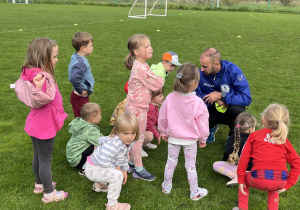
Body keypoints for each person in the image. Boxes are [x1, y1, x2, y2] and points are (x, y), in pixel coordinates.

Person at [21, 38, 68, 203]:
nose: (57, 60)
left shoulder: (31, 73)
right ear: (43, 58)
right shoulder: (42, 78)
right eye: (54, 57)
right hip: (44, 125)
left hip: (35, 123)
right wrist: (39, 88)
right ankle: (49, 193)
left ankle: (39, 184)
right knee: (45, 160)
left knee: (38, 156)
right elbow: (42, 98)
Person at [233, 104, 300, 210]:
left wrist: (240, 179)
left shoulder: (254, 136)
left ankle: (242, 207)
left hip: (257, 179)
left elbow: (244, 158)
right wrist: (289, 183)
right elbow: (297, 162)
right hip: (280, 182)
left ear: (263, 120)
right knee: (275, 182)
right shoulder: (284, 141)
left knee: (245, 178)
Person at [158, 63, 209, 201]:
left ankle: (166, 186)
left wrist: (164, 132)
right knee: (190, 166)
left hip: (174, 137)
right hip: (190, 141)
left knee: (170, 162)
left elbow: (162, 117)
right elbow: (203, 124)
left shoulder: (169, 98)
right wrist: (203, 138)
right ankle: (194, 192)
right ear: (193, 83)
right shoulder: (198, 103)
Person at [124, 34, 164, 181]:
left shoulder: (141, 65)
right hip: (137, 110)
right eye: (146, 46)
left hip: (135, 107)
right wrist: (162, 73)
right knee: (137, 139)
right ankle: (138, 168)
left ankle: (129, 162)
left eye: (150, 45)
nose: (151, 48)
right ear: (136, 51)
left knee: (133, 137)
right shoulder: (141, 68)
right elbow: (158, 84)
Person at [195, 48, 251, 142]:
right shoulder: (200, 73)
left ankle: (232, 138)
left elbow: (246, 98)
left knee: (238, 111)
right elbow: (194, 96)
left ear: (216, 64)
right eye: (201, 66)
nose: (201, 69)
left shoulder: (233, 71)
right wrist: (214, 98)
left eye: (205, 66)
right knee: (197, 109)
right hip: (211, 107)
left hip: (229, 109)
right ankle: (210, 128)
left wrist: (223, 96)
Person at [85, 113, 139, 210]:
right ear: (117, 132)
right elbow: (103, 162)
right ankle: (112, 205)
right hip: (93, 169)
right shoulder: (113, 145)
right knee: (117, 175)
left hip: (96, 166)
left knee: (117, 171)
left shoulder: (124, 142)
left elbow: (122, 156)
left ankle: (100, 185)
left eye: (133, 133)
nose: (130, 137)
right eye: (126, 133)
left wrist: (124, 169)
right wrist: (118, 169)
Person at [213, 112, 256, 186]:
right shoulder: (254, 140)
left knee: (216, 165)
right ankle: (244, 177)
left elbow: (227, 153)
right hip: (250, 171)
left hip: (236, 169)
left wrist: (226, 162)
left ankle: (235, 177)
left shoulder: (232, 138)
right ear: (250, 129)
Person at [66, 102, 103, 176]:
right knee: (99, 147)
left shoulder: (80, 123)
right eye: (99, 115)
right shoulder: (90, 130)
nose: (101, 116)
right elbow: (100, 141)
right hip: (77, 160)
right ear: (92, 119)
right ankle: (84, 168)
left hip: (71, 156)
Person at [68, 31, 95, 118]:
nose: (92, 48)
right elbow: (74, 78)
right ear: (83, 48)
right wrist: (80, 90)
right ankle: (80, 130)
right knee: (82, 117)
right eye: (90, 46)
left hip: (80, 95)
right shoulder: (81, 63)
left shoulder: (76, 56)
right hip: (80, 96)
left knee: (82, 116)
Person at [143, 87, 164, 152]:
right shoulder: (150, 108)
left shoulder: (155, 105)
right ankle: (138, 147)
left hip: (145, 127)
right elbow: (148, 125)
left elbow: (156, 117)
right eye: (160, 96)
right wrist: (157, 135)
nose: (163, 97)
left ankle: (145, 143)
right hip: (139, 129)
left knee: (158, 127)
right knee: (150, 136)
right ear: (151, 99)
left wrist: (160, 128)